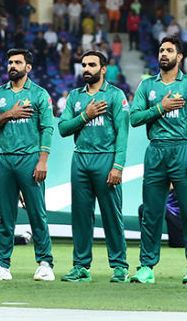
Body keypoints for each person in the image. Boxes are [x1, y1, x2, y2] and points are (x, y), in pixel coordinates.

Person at [130, 34, 187, 284]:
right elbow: (134, 118)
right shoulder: (147, 86)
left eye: (169, 50)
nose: (164, 54)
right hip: (155, 151)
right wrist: (161, 107)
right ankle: (146, 268)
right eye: (161, 50)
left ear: (179, 57)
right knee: (151, 212)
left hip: (182, 150)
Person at [0, 48, 55, 282]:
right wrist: (7, 115)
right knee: (6, 215)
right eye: (10, 62)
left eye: (17, 62)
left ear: (28, 67)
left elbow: (47, 128)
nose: (12, 65)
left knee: (36, 212)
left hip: (31, 159)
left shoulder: (40, 94)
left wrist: (43, 160)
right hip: (6, 160)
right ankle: (3, 265)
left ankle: (45, 263)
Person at [58, 49, 129, 283]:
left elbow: (122, 133)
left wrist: (118, 166)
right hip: (80, 159)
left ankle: (120, 266)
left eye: (91, 65)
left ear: (103, 69)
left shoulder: (116, 96)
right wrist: (85, 115)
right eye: (84, 65)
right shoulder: (75, 97)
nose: (86, 69)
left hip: (106, 159)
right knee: (80, 217)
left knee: (111, 216)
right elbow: (63, 128)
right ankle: (81, 267)